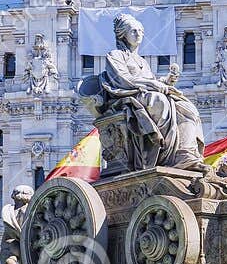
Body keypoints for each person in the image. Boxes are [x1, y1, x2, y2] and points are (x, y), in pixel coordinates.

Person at [78, 13, 205, 171]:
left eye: (140, 31)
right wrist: (153, 84)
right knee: (160, 102)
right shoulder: (115, 55)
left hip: (145, 94)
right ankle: (163, 154)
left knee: (187, 108)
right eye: (133, 31)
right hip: (126, 96)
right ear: (122, 34)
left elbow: (152, 81)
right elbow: (122, 80)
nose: (138, 35)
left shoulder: (142, 61)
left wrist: (166, 81)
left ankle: (184, 154)